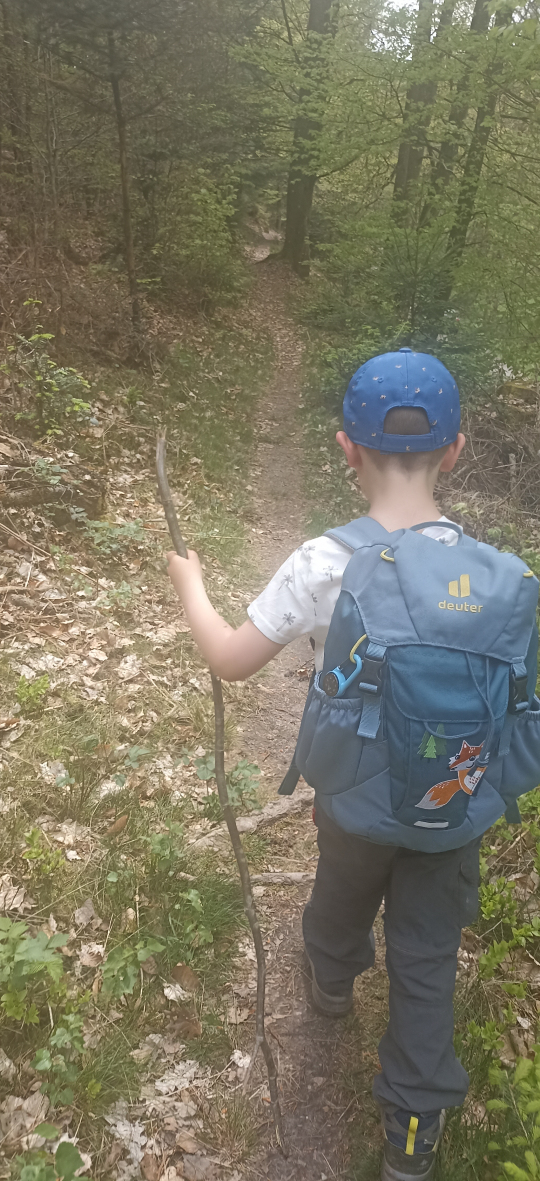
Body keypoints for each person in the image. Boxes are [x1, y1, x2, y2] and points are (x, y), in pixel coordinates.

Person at [167, 348, 482, 1181]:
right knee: (427, 958)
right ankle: (411, 1136)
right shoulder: (487, 572)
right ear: (455, 451)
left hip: (351, 795)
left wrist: (190, 584)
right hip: (452, 804)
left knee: (341, 889)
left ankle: (332, 981)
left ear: (347, 449)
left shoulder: (322, 560)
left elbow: (231, 660)